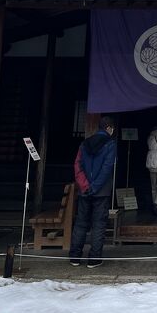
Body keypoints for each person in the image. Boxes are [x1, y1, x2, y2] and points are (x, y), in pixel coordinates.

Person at [69, 114, 117, 268]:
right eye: (112, 128)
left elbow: (78, 166)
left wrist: (85, 185)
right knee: (98, 224)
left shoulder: (84, 144)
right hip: (101, 191)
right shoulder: (110, 144)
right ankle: (94, 258)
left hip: (84, 190)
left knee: (81, 223)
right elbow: (106, 168)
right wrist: (95, 186)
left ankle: (75, 256)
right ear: (108, 128)